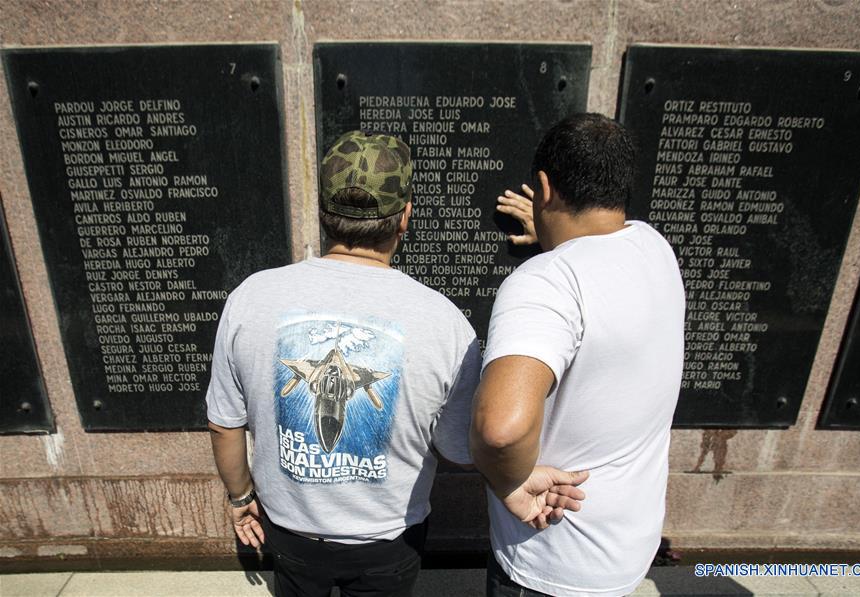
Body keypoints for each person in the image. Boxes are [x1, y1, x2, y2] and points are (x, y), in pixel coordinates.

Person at [206, 130, 584, 597]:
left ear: (324, 214)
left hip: (288, 531)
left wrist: (241, 497)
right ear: (405, 217)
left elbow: (225, 424)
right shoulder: (444, 323)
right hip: (389, 543)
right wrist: (515, 478)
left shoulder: (251, 297)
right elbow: (459, 447)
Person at [471, 113, 685, 597]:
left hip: (549, 559)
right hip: (626, 549)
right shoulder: (655, 247)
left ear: (542, 187)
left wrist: (510, 483)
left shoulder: (545, 282)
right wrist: (552, 235)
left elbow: (500, 430)